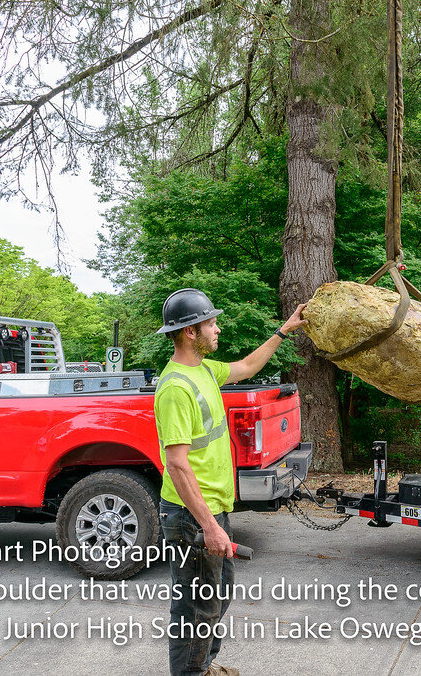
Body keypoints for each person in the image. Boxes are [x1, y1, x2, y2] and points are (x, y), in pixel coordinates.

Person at [154, 287, 306, 676]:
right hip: (191, 516)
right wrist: (207, 526)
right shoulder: (176, 388)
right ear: (190, 332)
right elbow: (177, 465)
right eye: (212, 323)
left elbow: (247, 367)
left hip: (212, 509)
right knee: (195, 606)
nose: (217, 329)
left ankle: (204, 665)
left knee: (217, 596)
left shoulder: (204, 370)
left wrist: (285, 330)